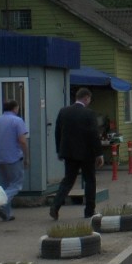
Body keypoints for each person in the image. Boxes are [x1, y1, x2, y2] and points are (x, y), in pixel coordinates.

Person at [50, 88, 104, 220]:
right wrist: (99, 154)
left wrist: (59, 151)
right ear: (86, 98)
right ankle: (89, 211)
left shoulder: (64, 112)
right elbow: (94, 135)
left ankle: (55, 206)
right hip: (87, 153)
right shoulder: (89, 113)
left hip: (69, 152)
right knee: (90, 180)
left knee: (68, 180)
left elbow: (58, 132)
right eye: (89, 100)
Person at [0, 99, 30, 222]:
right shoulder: (17, 121)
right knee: (16, 184)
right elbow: (22, 141)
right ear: (15, 108)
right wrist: (26, 156)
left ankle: (7, 214)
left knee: (2, 186)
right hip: (13, 157)